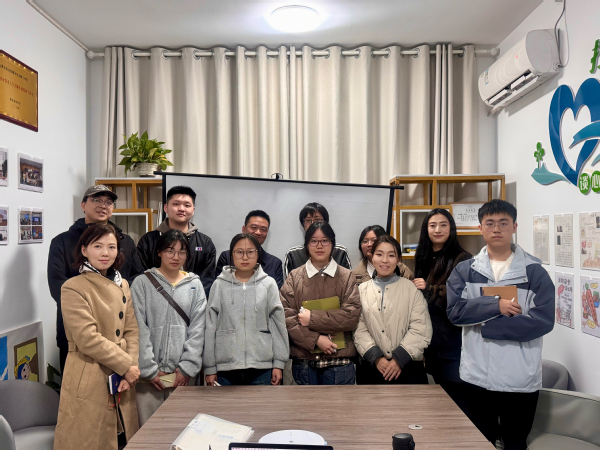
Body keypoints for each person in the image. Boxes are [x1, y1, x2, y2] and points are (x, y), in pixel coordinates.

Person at [447, 199, 555, 450]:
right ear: (480, 228)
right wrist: (495, 306)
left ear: (514, 227)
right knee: (479, 441)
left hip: (519, 376)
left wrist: (486, 326)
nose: (497, 229)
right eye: (490, 223)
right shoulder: (465, 270)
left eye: (503, 223)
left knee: (515, 442)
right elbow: (455, 312)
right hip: (477, 375)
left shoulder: (534, 272)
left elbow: (542, 321)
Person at [53, 224, 140, 450]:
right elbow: (87, 338)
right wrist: (125, 366)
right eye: (98, 246)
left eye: (112, 247)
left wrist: (131, 368)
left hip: (122, 374)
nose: (105, 253)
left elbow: (131, 329)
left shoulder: (123, 284)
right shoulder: (73, 287)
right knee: (90, 440)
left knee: (124, 440)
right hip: (89, 370)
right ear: (84, 250)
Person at [47, 185, 144, 374]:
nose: (103, 205)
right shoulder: (62, 241)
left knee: (119, 388)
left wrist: (114, 301)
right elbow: (57, 285)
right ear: (83, 205)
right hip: (78, 336)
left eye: (108, 202)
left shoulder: (125, 241)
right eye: (96, 200)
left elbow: (138, 277)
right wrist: (98, 305)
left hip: (119, 332)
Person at [131, 229, 207, 426]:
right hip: (148, 379)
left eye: (182, 252)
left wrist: (187, 367)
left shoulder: (195, 285)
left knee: (182, 431)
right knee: (148, 432)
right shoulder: (142, 283)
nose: (176, 257)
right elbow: (138, 327)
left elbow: (198, 329)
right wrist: (149, 369)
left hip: (182, 376)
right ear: (159, 252)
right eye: (170, 250)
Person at [280, 222, 361, 385]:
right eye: (314, 241)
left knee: (339, 404)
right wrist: (315, 339)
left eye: (325, 240)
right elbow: (287, 318)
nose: (319, 246)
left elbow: (351, 316)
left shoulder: (347, 277)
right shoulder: (294, 277)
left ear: (332, 243)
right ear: (307, 245)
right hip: (304, 363)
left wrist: (312, 319)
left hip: (339, 362)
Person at [204, 233, 289, 386]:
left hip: (261, 367)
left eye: (250, 252)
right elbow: (210, 326)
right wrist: (209, 367)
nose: (245, 257)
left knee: (260, 403)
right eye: (239, 252)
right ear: (232, 255)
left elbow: (278, 325)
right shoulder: (219, 285)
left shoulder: (268, 284)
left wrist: (278, 363)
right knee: (224, 403)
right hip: (226, 367)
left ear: (258, 254)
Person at [412, 209, 472, 411]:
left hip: (454, 343)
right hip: (432, 342)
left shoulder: (462, 258)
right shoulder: (424, 257)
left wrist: (429, 289)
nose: (438, 229)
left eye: (443, 225)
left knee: (459, 400)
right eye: (433, 225)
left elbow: (464, 296)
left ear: (451, 228)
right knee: (442, 401)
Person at [354, 235, 432, 384]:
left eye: (391, 255)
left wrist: (399, 359)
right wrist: (376, 358)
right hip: (372, 369)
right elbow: (358, 329)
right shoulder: (361, 290)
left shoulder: (411, 289)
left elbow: (421, 328)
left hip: (408, 369)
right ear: (372, 257)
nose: (385, 260)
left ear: (398, 260)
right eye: (379, 254)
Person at [137, 185, 216, 298]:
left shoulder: (205, 242)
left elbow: (207, 279)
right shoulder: (148, 240)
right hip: (156, 300)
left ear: (193, 210)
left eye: (187, 205)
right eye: (176, 204)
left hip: (192, 302)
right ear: (165, 208)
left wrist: (191, 299)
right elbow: (142, 275)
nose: (181, 209)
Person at [216, 210, 284, 288]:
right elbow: (219, 287)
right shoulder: (227, 257)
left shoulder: (275, 263)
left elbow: (276, 293)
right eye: (254, 227)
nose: (258, 232)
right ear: (243, 229)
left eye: (263, 229)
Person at [283, 202, 352, 278]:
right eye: (308, 220)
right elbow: (289, 284)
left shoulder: (340, 252)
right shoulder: (293, 255)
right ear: (303, 225)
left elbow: (348, 281)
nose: (313, 224)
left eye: (318, 219)